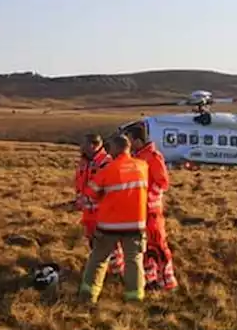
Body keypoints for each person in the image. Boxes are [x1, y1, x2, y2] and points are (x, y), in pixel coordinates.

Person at [78, 134, 148, 303]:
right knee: (134, 261)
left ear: (116, 148)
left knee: (98, 259)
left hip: (109, 225)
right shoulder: (143, 166)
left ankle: (89, 294)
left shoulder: (108, 170)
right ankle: (135, 296)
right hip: (136, 224)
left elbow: (91, 195)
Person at [124, 122, 177, 292]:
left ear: (137, 140)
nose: (128, 143)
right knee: (143, 247)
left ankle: (167, 281)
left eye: (129, 139)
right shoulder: (135, 157)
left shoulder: (153, 157)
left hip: (151, 211)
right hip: (137, 211)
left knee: (158, 246)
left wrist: (146, 197)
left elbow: (162, 182)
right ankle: (150, 279)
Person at [74, 133, 124, 277]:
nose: (81, 147)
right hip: (88, 213)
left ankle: (117, 273)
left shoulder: (106, 162)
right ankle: (101, 272)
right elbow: (80, 182)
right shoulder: (84, 162)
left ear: (93, 145)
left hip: (103, 213)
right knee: (94, 245)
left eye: (84, 144)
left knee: (111, 246)